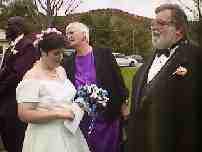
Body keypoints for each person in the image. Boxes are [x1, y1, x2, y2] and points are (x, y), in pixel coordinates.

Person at [126, 4, 201, 152]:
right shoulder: (144, 67)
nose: (154, 27)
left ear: (179, 30)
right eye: (153, 23)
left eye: (161, 23)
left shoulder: (196, 58)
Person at [16, 28, 90, 152]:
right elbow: (24, 114)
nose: (60, 57)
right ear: (43, 52)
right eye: (56, 53)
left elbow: (65, 98)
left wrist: (78, 106)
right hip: (46, 137)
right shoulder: (32, 77)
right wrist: (58, 114)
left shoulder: (61, 70)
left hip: (70, 132)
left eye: (62, 53)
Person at [63, 22, 129, 152]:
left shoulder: (104, 54)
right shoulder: (67, 62)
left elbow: (118, 80)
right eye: (67, 34)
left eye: (71, 32)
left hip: (108, 116)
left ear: (84, 35)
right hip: (83, 119)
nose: (68, 36)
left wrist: (124, 105)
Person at [0, 16, 39, 152]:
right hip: (5, 101)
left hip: (15, 102)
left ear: (18, 27)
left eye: (9, 25)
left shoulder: (27, 46)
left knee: (16, 140)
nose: (6, 28)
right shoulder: (12, 46)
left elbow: (18, 74)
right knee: (7, 138)